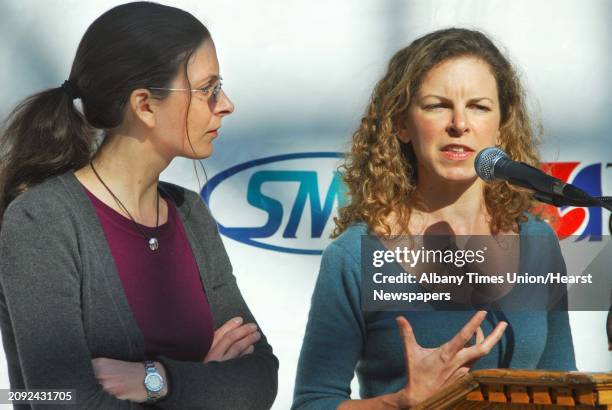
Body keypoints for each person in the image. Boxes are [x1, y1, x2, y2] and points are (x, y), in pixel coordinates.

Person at [0, 2, 277, 409]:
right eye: (208, 90)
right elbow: (60, 400)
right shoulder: (41, 220)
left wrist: (156, 379)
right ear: (145, 105)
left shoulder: (190, 213)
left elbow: (259, 377)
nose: (226, 104)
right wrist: (205, 382)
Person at [292, 28, 575, 409]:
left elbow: (564, 386)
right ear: (402, 124)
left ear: (502, 127)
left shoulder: (538, 243)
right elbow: (312, 402)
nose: (459, 123)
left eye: (479, 106)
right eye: (437, 105)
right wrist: (401, 403)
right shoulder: (354, 256)